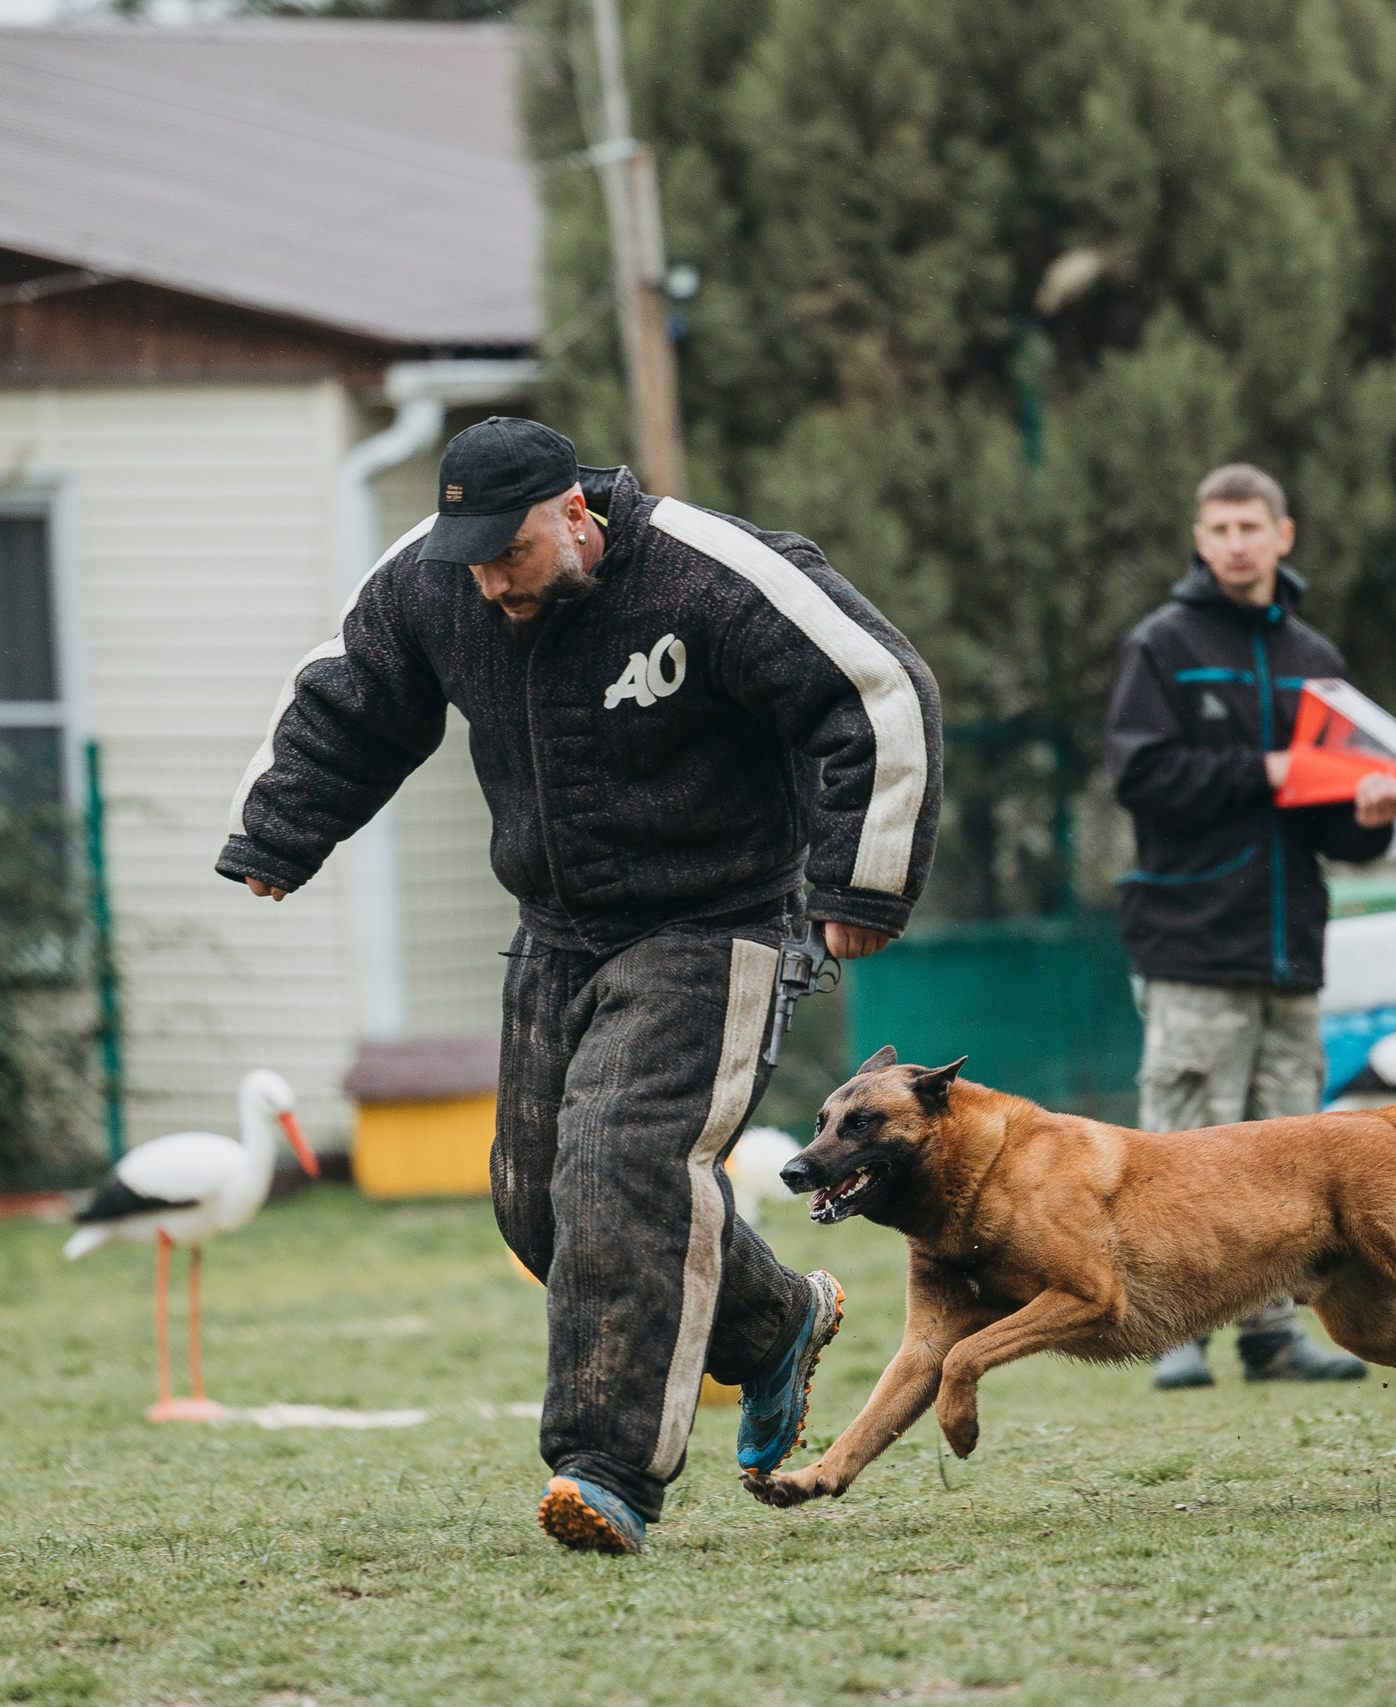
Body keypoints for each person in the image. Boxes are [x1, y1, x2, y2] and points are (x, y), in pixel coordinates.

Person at [219, 417, 943, 1554]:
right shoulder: (431, 580)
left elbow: (878, 691)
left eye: (509, 553)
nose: (489, 581)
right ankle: (774, 1325)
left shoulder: (708, 573)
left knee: (620, 1163)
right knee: (538, 1205)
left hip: (715, 921)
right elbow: (351, 696)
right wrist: (278, 831)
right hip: (555, 930)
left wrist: (861, 880)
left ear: (572, 513)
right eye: (470, 560)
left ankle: (605, 1469)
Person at [1104, 462, 1396, 1389]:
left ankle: (1273, 1338)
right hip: (1193, 939)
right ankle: (1174, 1336)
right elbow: (1140, 776)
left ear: (1285, 534)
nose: (1236, 543)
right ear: (1200, 539)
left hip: (1290, 947)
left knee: (1290, 1158)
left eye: (1251, 526)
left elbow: (1331, 823)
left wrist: (1371, 817)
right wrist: (1267, 770)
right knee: (1180, 1151)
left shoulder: (1316, 658)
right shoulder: (1162, 645)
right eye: (1220, 528)